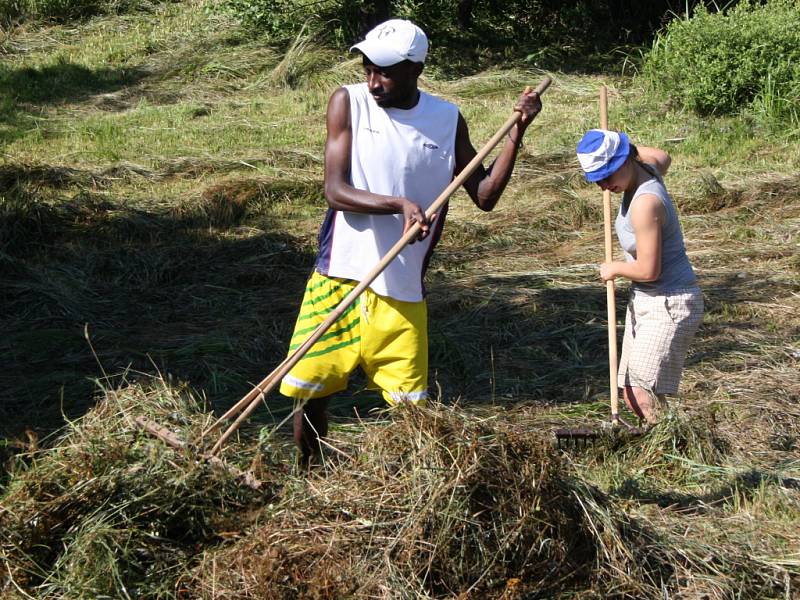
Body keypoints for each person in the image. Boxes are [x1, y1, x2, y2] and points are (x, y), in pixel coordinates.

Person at [279, 19, 542, 463]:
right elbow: (335, 191)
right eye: (367, 68)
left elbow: (485, 195)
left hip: (402, 287)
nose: (372, 80)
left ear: (415, 68)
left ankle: (408, 488)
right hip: (338, 274)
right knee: (309, 391)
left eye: (384, 71)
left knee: (411, 412)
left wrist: (517, 131)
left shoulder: (445, 119)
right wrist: (399, 204)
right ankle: (310, 476)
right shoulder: (349, 102)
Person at [576, 129, 703, 425]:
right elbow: (662, 154)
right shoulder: (648, 166)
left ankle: (669, 451)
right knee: (635, 393)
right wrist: (614, 143)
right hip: (648, 299)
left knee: (641, 393)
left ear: (626, 160)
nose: (606, 186)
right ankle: (660, 444)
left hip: (670, 301)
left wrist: (614, 268)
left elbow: (649, 270)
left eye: (608, 175)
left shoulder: (645, 204)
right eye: (598, 180)